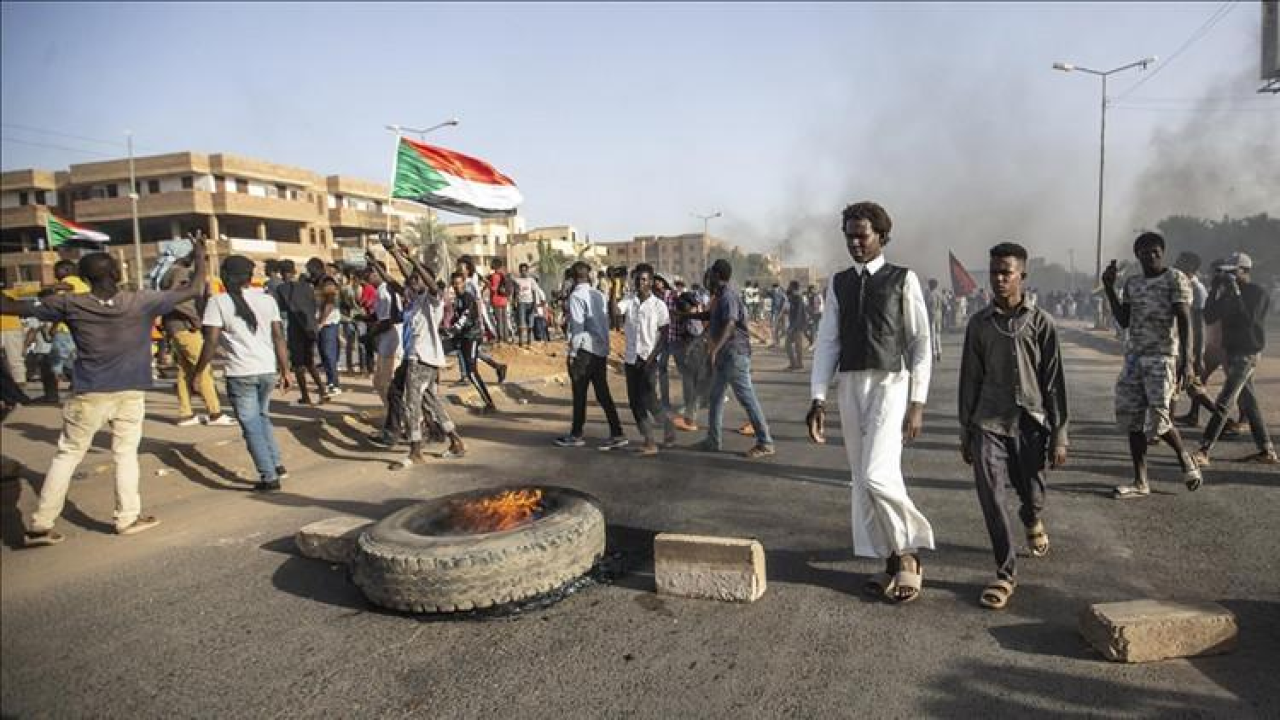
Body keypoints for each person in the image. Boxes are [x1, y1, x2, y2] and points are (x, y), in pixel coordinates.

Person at [1, 241, 209, 545]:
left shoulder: (69, 303)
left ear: (84, 279)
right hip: (130, 390)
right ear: (116, 273)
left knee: (67, 455)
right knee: (125, 454)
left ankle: (41, 523)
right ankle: (127, 518)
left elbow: (12, 306)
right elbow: (195, 288)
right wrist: (201, 257)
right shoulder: (141, 300)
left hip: (89, 392)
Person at [807, 201, 933, 603]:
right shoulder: (840, 282)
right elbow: (828, 341)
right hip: (850, 384)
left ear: (881, 236)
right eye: (849, 237)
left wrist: (917, 402)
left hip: (890, 383)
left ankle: (910, 553)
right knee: (862, 480)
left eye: (862, 236)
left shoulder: (903, 279)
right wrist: (818, 398)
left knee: (878, 473)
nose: (855, 243)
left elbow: (920, 342)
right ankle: (891, 560)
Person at [959, 243, 1069, 610]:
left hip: (1030, 423)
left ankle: (1032, 516)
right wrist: (966, 430)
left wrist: (1060, 435)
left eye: (1006, 272)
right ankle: (1005, 573)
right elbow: (969, 380)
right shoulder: (979, 325)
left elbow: (1054, 383)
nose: (999, 279)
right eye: (994, 272)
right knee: (991, 497)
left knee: (1033, 494)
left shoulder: (1041, 323)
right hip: (988, 422)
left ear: (1022, 275)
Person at [1102, 232, 1202, 498]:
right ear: (1137, 255)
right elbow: (1124, 320)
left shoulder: (1175, 279)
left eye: (1156, 251)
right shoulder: (1132, 283)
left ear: (1163, 252)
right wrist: (1109, 287)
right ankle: (1140, 482)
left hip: (1162, 356)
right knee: (1132, 419)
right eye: (1145, 252)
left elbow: (1184, 320)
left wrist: (1188, 361)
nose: (1151, 256)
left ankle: (1184, 457)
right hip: (1134, 357)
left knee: (1158, 419)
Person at [191, 256, 291, 492]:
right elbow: (278, 337)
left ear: (225, 276)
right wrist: (285, 370)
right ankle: (276, 464)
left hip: (241, 372)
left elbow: (211, 341)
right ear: (250, 277)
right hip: (267, 369)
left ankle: (269, 476)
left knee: (251, 425)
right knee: (262, 417)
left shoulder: (218, 302)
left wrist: (198, 372)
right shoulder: (267, 299)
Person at [373, 243, 466, 466]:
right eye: (412, 279)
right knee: (429, 401)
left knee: (412, 402)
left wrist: (412, 259)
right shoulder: (414, 300)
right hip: (412, 357)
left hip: (422, 359)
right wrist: (387, 257)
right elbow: (393, 282)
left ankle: (415, 450)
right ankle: (455, 441)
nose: (411, 281)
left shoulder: (432, 300)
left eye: (416, 278)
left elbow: (429, 284)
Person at [1191, 252, 1277, 466]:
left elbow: (1249, 320)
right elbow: (1209, 316)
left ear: (1245, 271)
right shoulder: (1228, 294)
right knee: (1250, 404)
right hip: (1231, 352)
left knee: (1224, 401)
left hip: (1247, 353)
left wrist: (1236, 293)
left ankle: (1204, 449)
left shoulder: (1257, 293)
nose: (1228, 276)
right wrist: (1214, 290)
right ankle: (1267, 451)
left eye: (1232, 272)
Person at [695, 259, 774, 458]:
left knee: (747, 398)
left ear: (717, 275)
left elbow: (730, 325)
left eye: (711, 274)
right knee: (715, 397)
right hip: (725, 355)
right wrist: (684, 316)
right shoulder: (721, 296)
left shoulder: (728, 296)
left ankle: (765, 442)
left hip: (734, 355)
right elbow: (709, 316)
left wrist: (714, 350)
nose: (708, 278)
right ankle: (713, 440)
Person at [555, 262, 626, 449]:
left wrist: (572, 353)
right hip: (600, 350)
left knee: (579, 393)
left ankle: (576, 434)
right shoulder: (598, 294)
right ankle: (617, 432)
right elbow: (605, 322)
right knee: (603, 393)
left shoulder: (576, 296)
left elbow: (577, 328)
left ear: (572, 278)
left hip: (585, 350)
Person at [159, 252, 233, 427]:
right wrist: (196, 320)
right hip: (186, 327)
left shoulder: (171, 272)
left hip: (177, 327)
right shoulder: (181, 273)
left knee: (184, 371)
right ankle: (215, 413)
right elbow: (178, 300)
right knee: (203, 367)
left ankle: (185, 413)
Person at [613, 264, 676, 455]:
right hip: (631, 358)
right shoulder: (629, 300)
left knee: (649, 399)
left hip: (649, 358)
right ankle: (649, 440)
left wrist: (653, 356)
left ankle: (666, 426)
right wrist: (613, 285)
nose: (640, 283)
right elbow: (615, 312)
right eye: (638, 279)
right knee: (634, 401)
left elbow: (664, 334)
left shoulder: (658, 305)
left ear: (651, 282)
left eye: (644, 279)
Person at [272, 260, 329, 406]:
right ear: (294, 272)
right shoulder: (307, 287)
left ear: (281, 273)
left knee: (298, 364)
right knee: (310, 362)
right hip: (310, 327)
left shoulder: (282, 289)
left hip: (296, 329)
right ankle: (323, 391)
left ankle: (305, 396)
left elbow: (281, 308)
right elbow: (315, 304)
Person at [447, 270, 498, 413]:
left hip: (472, 336)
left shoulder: (468, 298)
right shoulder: (457, 299)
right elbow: (457, 318)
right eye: (454, 284)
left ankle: (489, 403)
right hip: (463, 337)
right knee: (470, 369)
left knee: (472, 371)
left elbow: (465, 318)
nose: (457, 286)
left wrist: (454, 329)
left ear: (464, 283)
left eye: (459, 283)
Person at [670, 289, 710, 432]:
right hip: (693, 352)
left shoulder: (692, 320)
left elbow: (697, 336)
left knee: (690, 384)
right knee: (691, 384)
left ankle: (690, 417)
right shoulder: (690, 318)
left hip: (695, 353)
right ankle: (690, 414)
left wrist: (689, 349)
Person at [513, 263, 546, 347]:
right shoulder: (517, 280)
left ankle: (529, 340)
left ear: (527, 271)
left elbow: (534, 291)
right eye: (522, 270)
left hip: (530, 302)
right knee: (521, 322)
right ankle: (520, 341)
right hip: (521, 302)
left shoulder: (531, 280)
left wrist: (534, 304)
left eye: (525, 270)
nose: (523, 272)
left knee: (530, 322)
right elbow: (515, 292)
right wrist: (514, 302)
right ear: (520, 271)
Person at [924, 278, 945, 363]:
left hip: (932, 315)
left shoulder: (931, 294)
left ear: (931, 285)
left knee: (932, 335)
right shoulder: (940, 294)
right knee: (938, 334)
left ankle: (934, 353)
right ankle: (939, 351)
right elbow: (945, 304)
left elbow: (927, 305)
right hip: (939, 315)